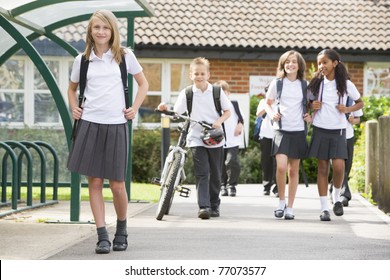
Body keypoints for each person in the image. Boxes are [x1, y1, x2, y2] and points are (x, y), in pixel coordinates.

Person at [67, 10, 149, 254]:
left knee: (117, 185)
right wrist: (74, 108)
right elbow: (72, 89)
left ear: (113, 30)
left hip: (116, 124)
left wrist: (134, 108)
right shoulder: (81, 60)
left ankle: (121, 229)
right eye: (96, 28)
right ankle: (102, 235)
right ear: (90, 31)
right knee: (94, 182)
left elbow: (144, 83)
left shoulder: (125, 56)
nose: (101, 32)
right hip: (90, 123)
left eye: (105, 27)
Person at [158, 57, 231, 219]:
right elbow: (177, 113)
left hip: (214, 137)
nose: (199, 76)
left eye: (202, 73)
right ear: (191, 75)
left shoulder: (217, 92)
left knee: (216, 173)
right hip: (196, 137)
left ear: (208, 75)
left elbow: (228, 111)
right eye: (196, 73)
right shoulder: (188, 93)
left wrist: (218, 122)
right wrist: (165, 108)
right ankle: (203, 207)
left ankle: (214, 205)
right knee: (202, 172)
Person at [308, 49, 364, 221]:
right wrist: (312, 105)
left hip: (339, 131)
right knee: (323, 169)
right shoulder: (316, 83)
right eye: (319, 63)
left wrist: (347, 110)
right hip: (320, 129)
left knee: (339, 168)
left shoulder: (346, 84)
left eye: (325, 62)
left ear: (335, 63)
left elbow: (360, 102)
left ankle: (336, 197)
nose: (321, 66)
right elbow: (306, 104)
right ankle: (324, 208)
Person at [265, 50, 311, 220]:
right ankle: (281, 202)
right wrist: (271, 114)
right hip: (281, 130)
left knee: (293, 171)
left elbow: (313, 106)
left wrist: (309, 116)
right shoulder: (277, 83)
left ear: (299, 65)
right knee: (282, 167)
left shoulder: (305, 85)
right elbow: (267, 103)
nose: (290, 65)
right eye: (287, 62)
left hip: (298, 131)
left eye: (294, 62)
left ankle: (290, 207)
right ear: (283, 65)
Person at [214, 80, 244, 197]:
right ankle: (222, 185)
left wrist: (240, 125)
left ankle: (232, 185)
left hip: (233, 140)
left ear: (228, 93)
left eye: (224, 91)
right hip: (218, 140)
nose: (222, 94)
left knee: (231, 161)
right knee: (220, 164)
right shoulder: (214, 107)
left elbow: (241, 118)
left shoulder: (234, 104)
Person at [329, 104, 363, 206]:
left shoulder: (352, 97)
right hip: (333, 134)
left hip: (348, 136)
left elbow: (358, 119)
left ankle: (333, 188)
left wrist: (353, 120)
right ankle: (344, 194)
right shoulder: (330, 93)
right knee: (338, 167)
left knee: (347, 166)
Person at [256, 94, 278, 197]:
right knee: (266, 162)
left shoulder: (280, 101)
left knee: (278, 163)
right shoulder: (263, 102)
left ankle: (278, 187)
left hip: (278, 135)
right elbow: (258, 114)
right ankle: (267, 186)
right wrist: (267, 105)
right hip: (265, 135)